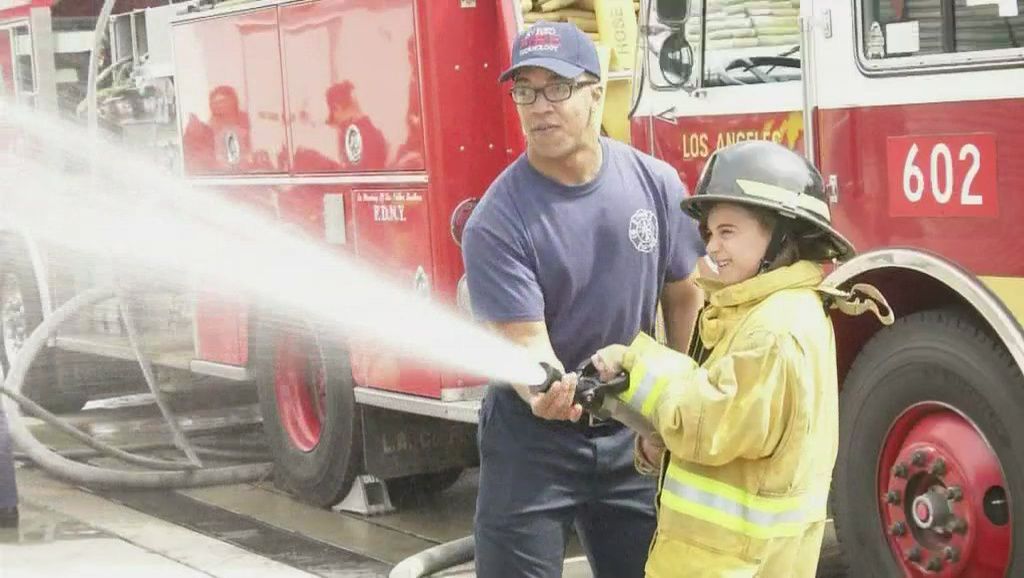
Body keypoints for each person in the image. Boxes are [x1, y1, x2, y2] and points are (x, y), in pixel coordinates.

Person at [461, 21, 705, 578]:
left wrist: (679, 403)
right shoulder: (497, 222)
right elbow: (528, 347)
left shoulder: (657, 185)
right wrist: (543, 388)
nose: (539, 106)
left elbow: (686, 296)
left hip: (632, 431)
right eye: (525, 90)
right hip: (533, 445)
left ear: (597, 93)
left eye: (558, 88)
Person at [591, 140, 884, 578]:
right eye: (709, 233)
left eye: (728, 231)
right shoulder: (758, 311)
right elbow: (730, 431)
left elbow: (710, 422)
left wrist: (638, 365)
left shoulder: (775, 328)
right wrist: (659, 443)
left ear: (782, 234)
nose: (713, 247)